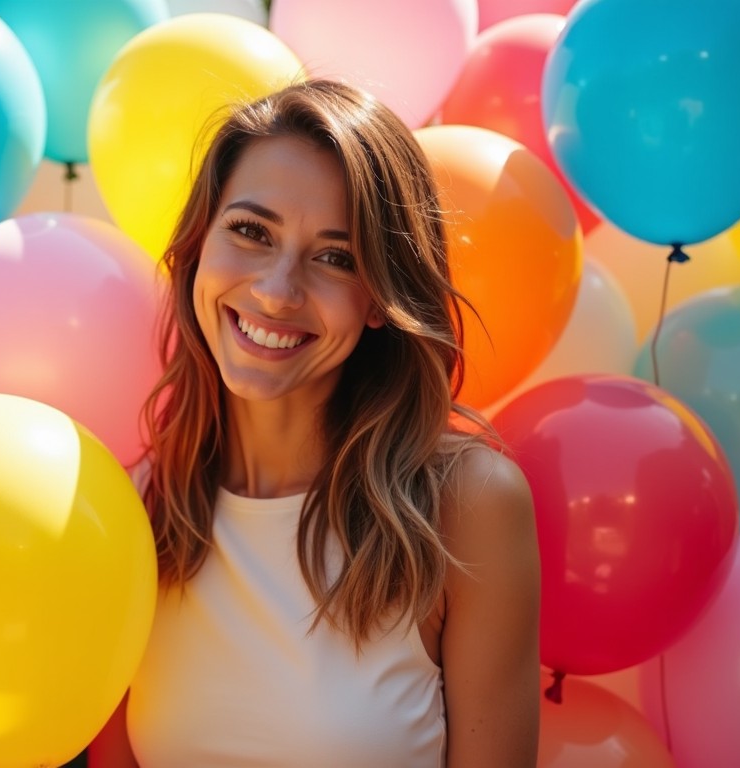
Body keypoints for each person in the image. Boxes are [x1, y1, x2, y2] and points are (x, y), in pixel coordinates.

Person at [94, 78, 541, 767]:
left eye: (336, 257)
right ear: (197, 251)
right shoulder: (134, 508)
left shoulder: (466, 505)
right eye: (250, 231)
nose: (276, 291)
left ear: (377, 300)